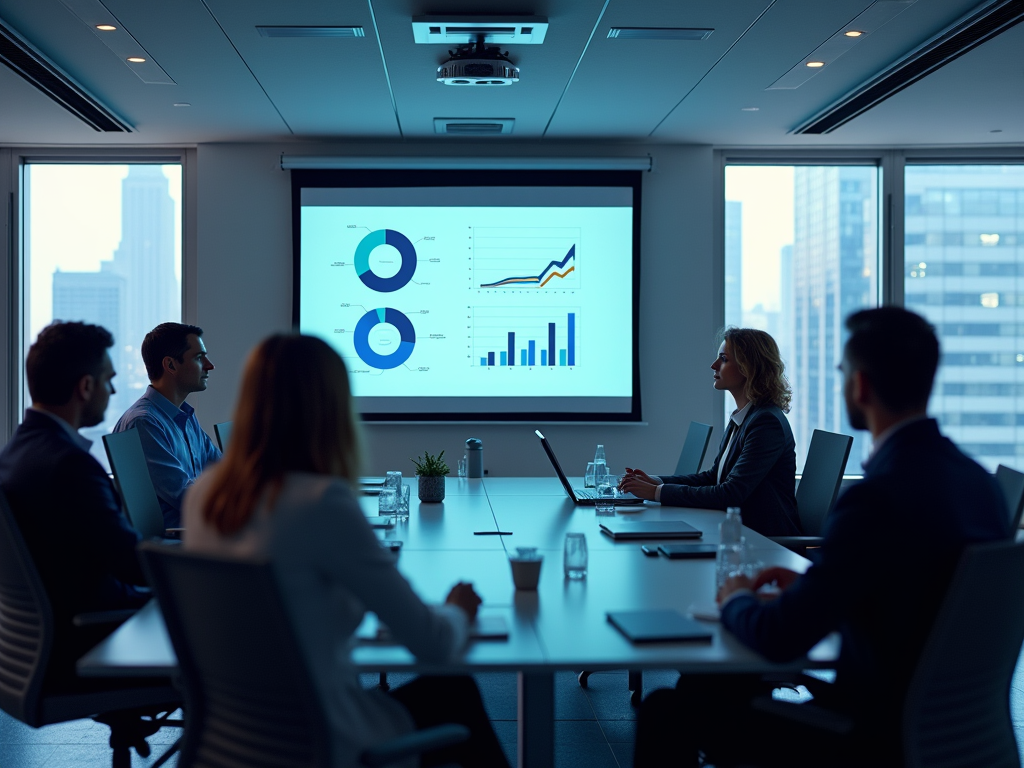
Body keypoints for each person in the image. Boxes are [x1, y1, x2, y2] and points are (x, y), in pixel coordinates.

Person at [633, 307, 1009, 768]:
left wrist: (735, 599)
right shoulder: (981, 485)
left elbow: (780, 639)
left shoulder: (875, 499)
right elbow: (918, 593)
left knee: (666, 712)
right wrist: (820, 589)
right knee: (708, 685)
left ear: (861, 386)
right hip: (951, 733)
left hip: (870, 736)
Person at [182, 334, 509, 768]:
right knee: (454, 689)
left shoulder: (204, 496)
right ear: (331, 407)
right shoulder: (321, 503)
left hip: (232, 739)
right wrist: (457, 611)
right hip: (319, 738)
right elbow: (432, 644)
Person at [0, 322, 150, 688]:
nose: (113, 390)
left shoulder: (16, 453)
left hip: (41, 645)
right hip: (91, 640)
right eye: (108, 380)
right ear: (85, 387)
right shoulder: (69, 465)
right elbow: (132, 564)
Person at [620, 327, 800, 536]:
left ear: (748, 367)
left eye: (723, 359)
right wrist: (657, 482)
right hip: (738, 532)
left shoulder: (766, 423)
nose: (713, 365)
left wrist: (656, 493)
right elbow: (714, 477)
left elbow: (730, 493)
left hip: (764, 542)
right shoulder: (743, 417)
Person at [114, 322, 220, 529]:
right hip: (171, 549)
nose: (209, 365)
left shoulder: (185, 417)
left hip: (195, 536)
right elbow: (187, 497)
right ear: (171, 365)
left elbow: (222, 471)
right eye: (199, 358)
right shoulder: (144, 422)